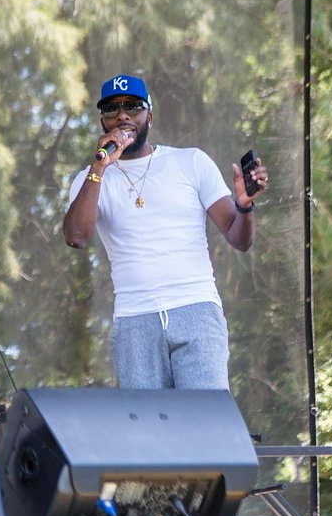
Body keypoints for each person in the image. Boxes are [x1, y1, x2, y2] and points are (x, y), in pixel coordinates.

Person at [62, 73, 268, 390]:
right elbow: (76, 236)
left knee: (205, 424)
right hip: (134, 321)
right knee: (149, 435)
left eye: (132, 106)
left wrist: (243, 205)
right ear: (103, 121)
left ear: (149, 115)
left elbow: (239, 239)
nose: (122, 115)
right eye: (111, 109)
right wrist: (100, 166)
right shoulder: (91, 177)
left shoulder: (191, 162)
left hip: (195, 309)